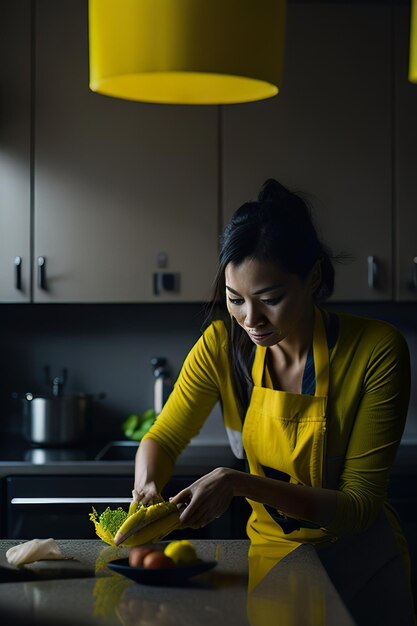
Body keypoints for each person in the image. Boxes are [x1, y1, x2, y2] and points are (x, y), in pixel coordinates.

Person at [133, 178, 415, 625]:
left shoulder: (376, 351)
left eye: (271, 299)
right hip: (274, 569)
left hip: (362, 576)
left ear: (314, 277)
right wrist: (147, 484)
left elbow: (358, 507)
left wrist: (240, 483)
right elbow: (164, 437)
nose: (250, 319)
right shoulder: (221, 347)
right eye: (234, 300)